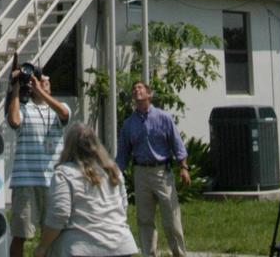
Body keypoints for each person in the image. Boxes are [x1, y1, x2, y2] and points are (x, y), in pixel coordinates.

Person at [33, 123, 137, 257]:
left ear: (68, 146)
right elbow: (123, 207)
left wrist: (43, 246)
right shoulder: (113, 172)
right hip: (120, 246)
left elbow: (60, 214)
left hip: (81, 247)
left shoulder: (64, 174)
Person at [115, 81, 190, 257]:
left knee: (171, 219)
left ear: (149, 94)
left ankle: (179, 254)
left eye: (140, 88)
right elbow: (122, 155)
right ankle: (149, 254)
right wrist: (114, 174)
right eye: (134, 88)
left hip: (162, 172)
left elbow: (177, 144)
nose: (136, 90)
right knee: (144, 220)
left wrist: (184, 167)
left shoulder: (164, 118)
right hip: (140, 173)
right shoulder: (128, 124)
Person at [6, 61, 70, 257]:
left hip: (54, 181)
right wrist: (16, 86)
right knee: (21, 234)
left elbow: (64, 113)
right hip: (26, 181)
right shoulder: (24, 108)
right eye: (37, 81)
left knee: (53, 233)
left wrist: (40, 91)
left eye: (44, 81)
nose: (41, 83)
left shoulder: (59, 107)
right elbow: (14, 121)